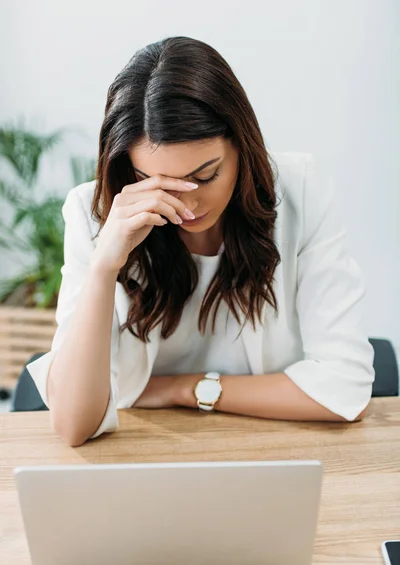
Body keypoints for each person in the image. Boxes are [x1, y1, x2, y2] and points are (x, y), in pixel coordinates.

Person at [27, 36, 375, 447]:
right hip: (147, 456)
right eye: (158, 184)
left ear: (242, 146)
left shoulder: (300, 190)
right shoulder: (95, 214)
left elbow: (346, 389)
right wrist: (105, 266)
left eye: (206, 175)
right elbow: (73, 426)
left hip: (278, 449)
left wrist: (183, 389)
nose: (188, 204)